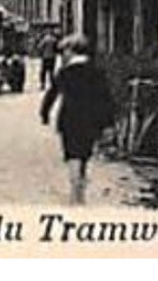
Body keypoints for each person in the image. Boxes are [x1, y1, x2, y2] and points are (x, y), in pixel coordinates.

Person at [39, 34, 116, 205]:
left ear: (71, 51)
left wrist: (44, 113)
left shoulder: (65, 72)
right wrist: (108, 123)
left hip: (69, 119)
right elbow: (105, 99)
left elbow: (52, 95)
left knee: (72, 154)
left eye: (65, 51)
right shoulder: (96, 72)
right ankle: (80, 187)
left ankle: (75, 192)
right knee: (84, 154)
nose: (62, 55)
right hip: (91, 121)